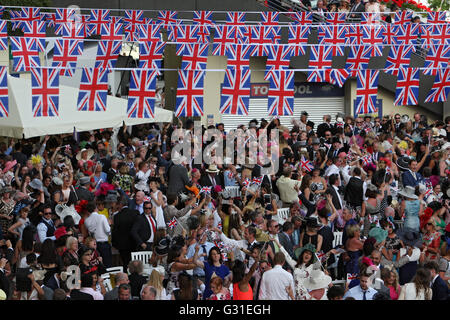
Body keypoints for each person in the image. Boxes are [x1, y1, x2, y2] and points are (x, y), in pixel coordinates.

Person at [111, 195, 139, 270]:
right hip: (134, 243)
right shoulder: (135, 213)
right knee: (134, 263)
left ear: (120, 204)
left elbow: (115, 231)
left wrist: (114, 243)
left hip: (122, 245)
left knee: (125, 263)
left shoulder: (117, 216)